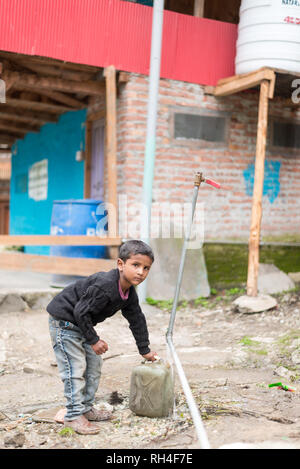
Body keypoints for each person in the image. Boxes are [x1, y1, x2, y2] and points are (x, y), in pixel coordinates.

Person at [47, 239, 157, 435]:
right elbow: (81, 311)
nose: (141, 272)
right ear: (121, 264)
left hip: (80, 324)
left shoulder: (129, 293)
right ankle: (72, 415)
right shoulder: (105, 286)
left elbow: (137, 319)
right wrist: (94, 340)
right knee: (75, 367)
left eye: (146, 268)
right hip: (64, 322)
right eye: (136, 265)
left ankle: (86, 408)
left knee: (94, 364)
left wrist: (145, 350)